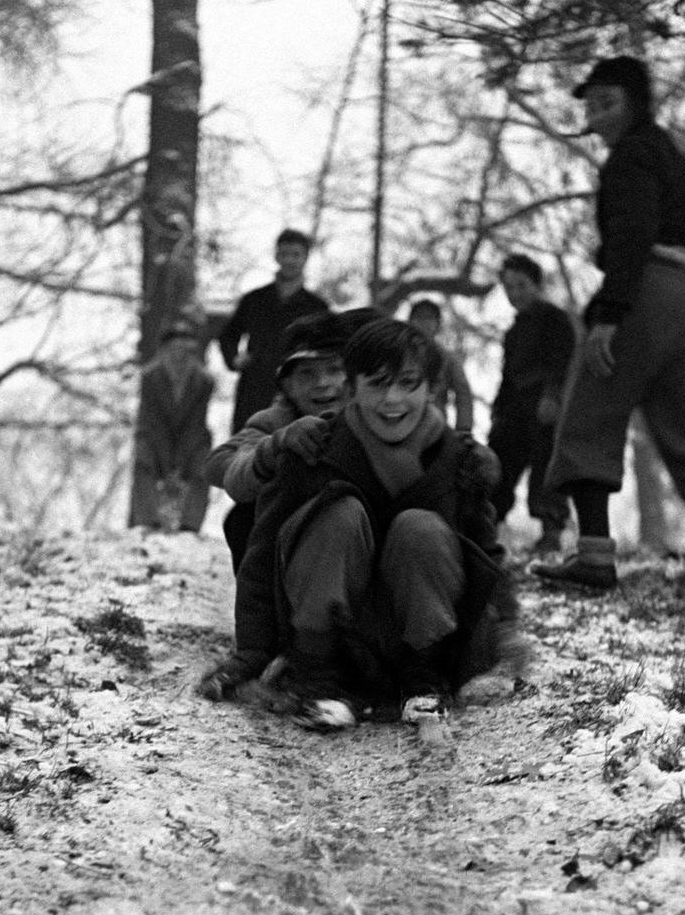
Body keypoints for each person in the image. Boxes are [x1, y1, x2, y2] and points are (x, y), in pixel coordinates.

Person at [197, 317, 515, 733]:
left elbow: (486, 554)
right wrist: (253, 651)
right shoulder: (312, 443)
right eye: (377, 384)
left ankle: (422, 681)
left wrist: (504, 636)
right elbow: (261, 545)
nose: (392, 400)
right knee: (336, 512)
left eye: (408, 384)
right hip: (334, 637)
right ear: (355, 386)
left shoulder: (454, 458)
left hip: (415, 637)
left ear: (431, 390)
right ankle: (319, 679)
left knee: (420, 528)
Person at [534, 55, 685, 596]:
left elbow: (633, 231)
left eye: (608, 102)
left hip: (645, 288)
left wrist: (610, 315)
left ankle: (593, 555)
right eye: (591, 106)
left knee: (589, 411)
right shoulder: (670, 153)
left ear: (636, 103)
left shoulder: (629, 159)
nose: (596, 117)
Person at [203, 310, 359, 572]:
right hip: (298, 546)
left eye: (334, 370)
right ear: (286, 386)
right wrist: (274, 448)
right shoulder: (278, 420)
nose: (322, 383)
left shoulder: (374, 417)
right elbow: (220, 463)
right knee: (242, 519)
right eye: (307, 374)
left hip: (361, 544)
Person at [488, 254, 577, 556]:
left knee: (546, 469)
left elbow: (562, 362)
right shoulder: (514, 330)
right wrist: (498, 409)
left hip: (543, 407)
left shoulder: (555, 319)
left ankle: (550, 533)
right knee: (499, 464)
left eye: (521, 285)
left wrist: (552, 396)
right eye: (509, 287)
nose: (515, 294)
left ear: (537, 284)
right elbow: (507, 374)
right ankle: (487, 527)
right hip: (515, 409)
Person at [216, 228, 332, 433]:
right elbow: (228, 334)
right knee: (246, 446)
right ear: (276, 256)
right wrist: (234, 359)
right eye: (284, 254)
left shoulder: (317, 307)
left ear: (305, 258)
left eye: (296, 254)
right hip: (255, 386)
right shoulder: (255, 300)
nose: (289, 260)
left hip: (300, 390)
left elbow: (329, 348)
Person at [127, 317, 215, 533]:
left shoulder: (204, 381)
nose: (180, 355)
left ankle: (190, 526)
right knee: (143, 458)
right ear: (164, 349)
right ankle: (147, 522)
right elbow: (150, 422)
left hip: (191, 440)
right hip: (155, 437)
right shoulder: (150, 377)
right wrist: (167, 460)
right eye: (175, 348)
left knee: (204, 466)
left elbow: (196, 424)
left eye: (186, 349)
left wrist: (180, 459)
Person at [407, 297, 475, 433]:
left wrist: (464, 429)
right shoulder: (398, 355)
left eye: (429, 318)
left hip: (435, 428)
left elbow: (463, 395)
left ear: (438, 324)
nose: (423, 323)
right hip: (401, 427)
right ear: (409, 322)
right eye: (418, 318)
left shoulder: (448, 359)